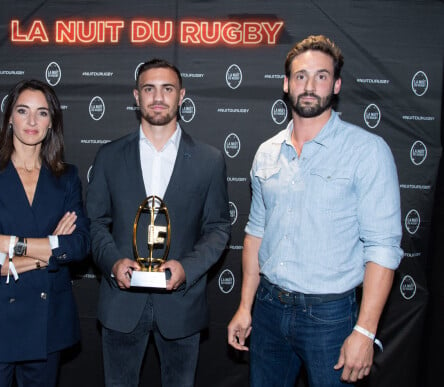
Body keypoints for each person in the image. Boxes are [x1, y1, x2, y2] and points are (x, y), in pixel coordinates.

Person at [227, 35, 403, 386]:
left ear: (336, 85)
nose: (309, 85)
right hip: (269, 308)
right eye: (301, 76)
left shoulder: (367, 151)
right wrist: (246, 306)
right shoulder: (266, 152)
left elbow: (382, 248)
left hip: (331, 316)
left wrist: (365, 332)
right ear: (286, 83)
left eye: (321, 76)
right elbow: (255, 233)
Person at [86, 58, 231, 387]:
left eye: (167, 89)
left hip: (182, 305)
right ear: (136, 96)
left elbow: (218, 228)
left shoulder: (209, 160)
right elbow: (94, 223)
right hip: (121, 305)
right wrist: (112, 262)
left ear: (182, 95)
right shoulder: (109, 156)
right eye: (149, 89)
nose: (158, 97)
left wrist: (187, 268)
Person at [0, 79, 90, 387]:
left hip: (46, 324)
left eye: (42, 113)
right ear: (9, 119)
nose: (32, 121)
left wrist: (9, 244)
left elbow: (80, 244)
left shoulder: (66, 177)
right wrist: (50, 249)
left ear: (52, 122)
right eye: (23, 111)